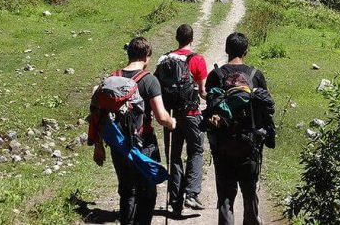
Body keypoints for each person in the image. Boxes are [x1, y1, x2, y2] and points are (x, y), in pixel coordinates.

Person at [205, 32, 275, 225]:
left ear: (226, 50)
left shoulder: (216, 75)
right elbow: (268, 107)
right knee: (250, 194)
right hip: (250, 145)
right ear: (246, 50)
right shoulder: (255, 75)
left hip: (223, 145)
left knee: (226, 197)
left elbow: (209, 108)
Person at [110, 37, 176, 225]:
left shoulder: (113, 78)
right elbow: (162, 117)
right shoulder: (149, 80)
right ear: (146, 56)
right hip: (143, 144)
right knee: (147, 193)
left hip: (119, 144)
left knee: (126, 191)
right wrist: (172, 123)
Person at [167, 24, 208, 216]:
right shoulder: (197, 59)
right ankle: (191, 193)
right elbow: (202, 92)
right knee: (196, 152)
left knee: (174, 156)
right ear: (192, 39)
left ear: (176, 38)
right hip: (191, 115)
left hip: (172, 116)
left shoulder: (165, 59)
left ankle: (175, 201)